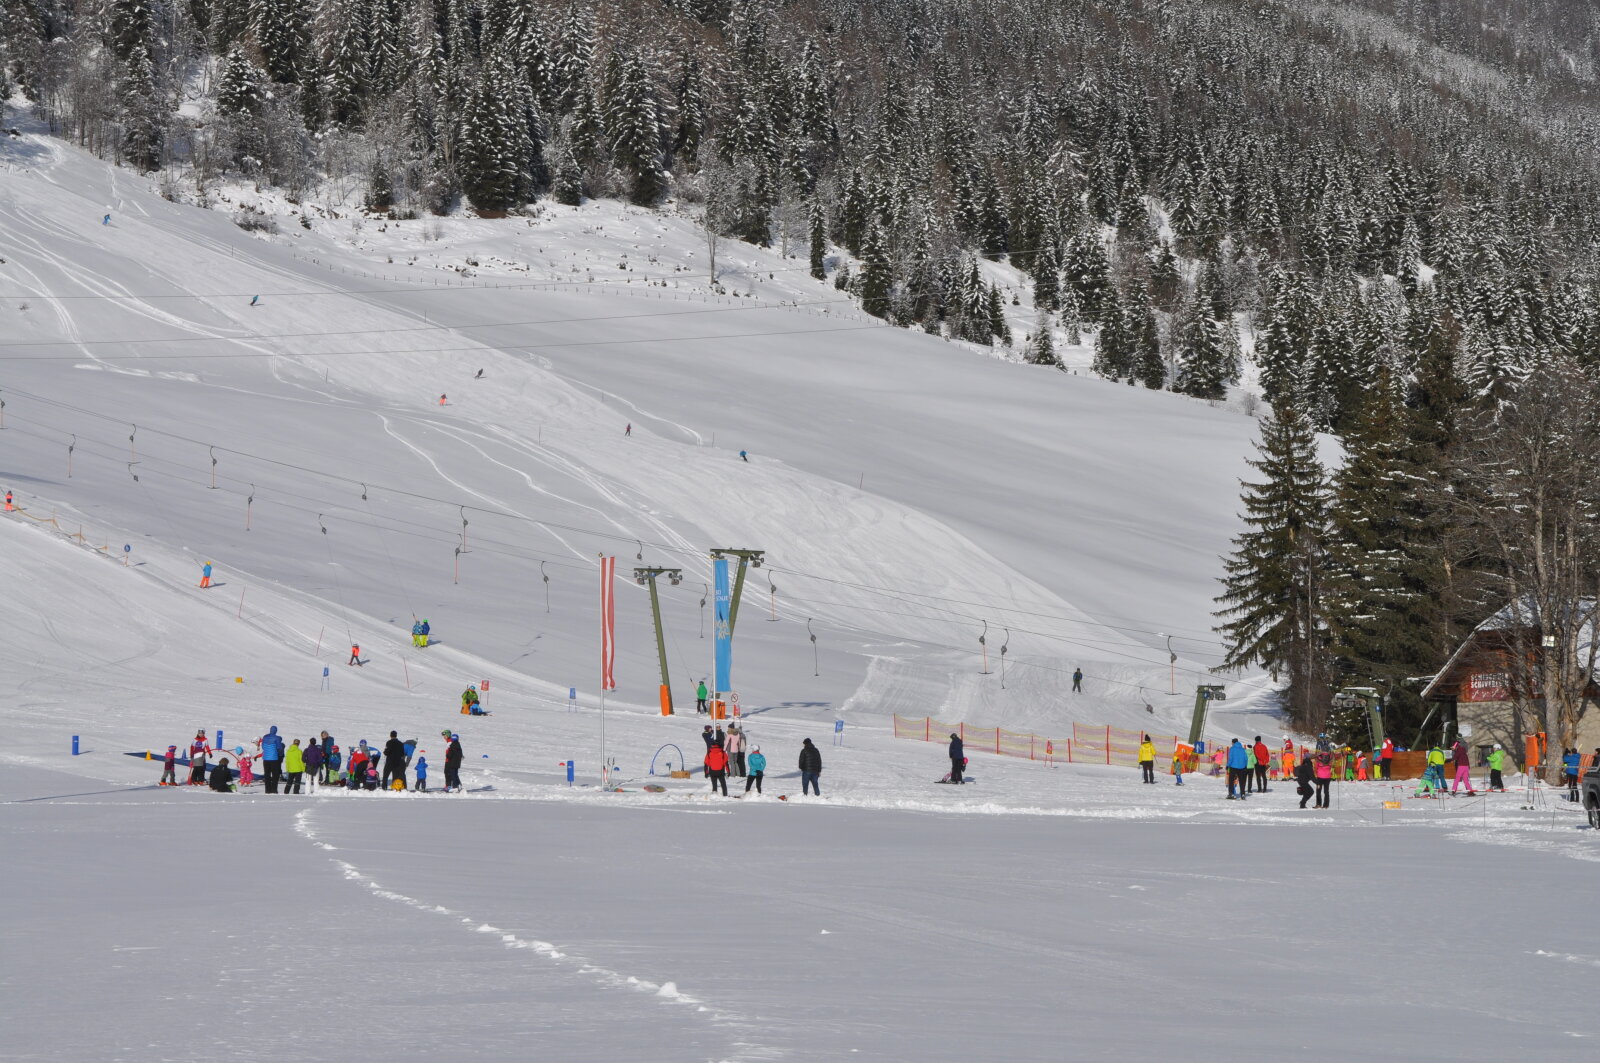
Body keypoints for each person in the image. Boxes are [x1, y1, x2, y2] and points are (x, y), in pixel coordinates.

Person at [259, 725, 285, 793]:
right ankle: (274, 790)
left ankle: (267, 790)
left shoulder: (265, 737)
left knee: (267, 775)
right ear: (276, 731)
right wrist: (279, 754)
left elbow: (263, 747)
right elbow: (279, 748)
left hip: (266, 759)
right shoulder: (277, 738)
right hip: (274, 759)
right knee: (275, 775)